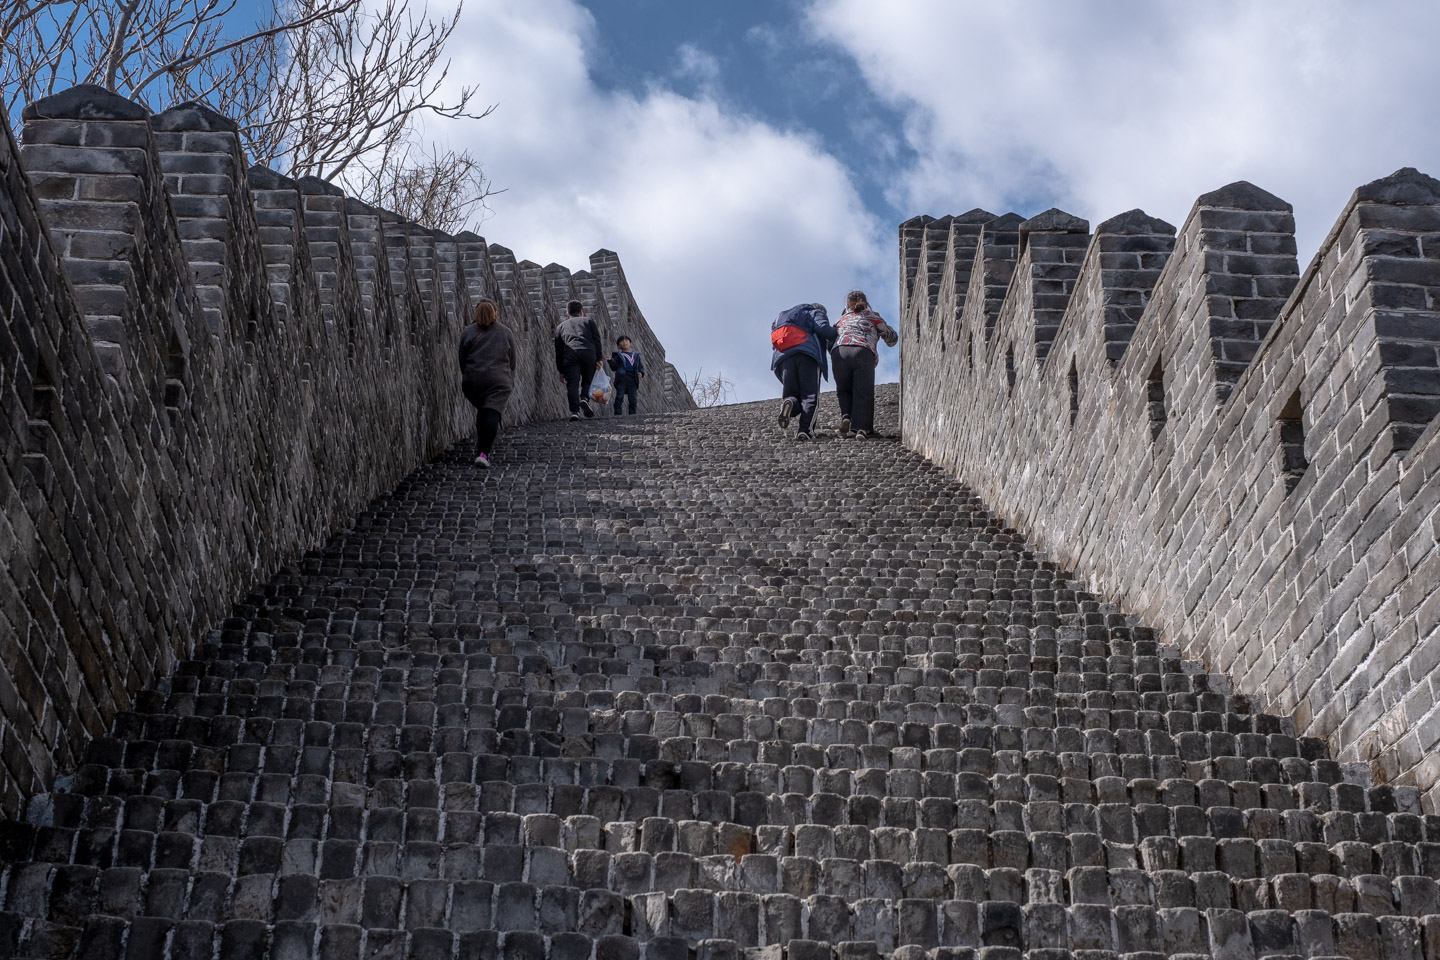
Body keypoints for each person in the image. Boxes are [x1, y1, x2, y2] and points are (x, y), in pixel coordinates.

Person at [457, 298, 516, 469]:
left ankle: (480, 449)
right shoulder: (505, 332)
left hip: (473, 380)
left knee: (484, 410)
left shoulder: (467, 333)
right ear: (495, 312)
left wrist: (470, 375)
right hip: (499, 381)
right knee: (491, 411)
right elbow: (512, 361)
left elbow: (462, 360)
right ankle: (483, 453)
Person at [832, 289, 897, 439]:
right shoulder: (872, 316)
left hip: (839, 352)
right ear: (866, 302)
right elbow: (891, 338)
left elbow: (830, 337)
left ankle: (846, 416)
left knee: (843, 389)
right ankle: (861, 429)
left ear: (847, 304)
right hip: (862, 351)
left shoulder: (840, 320)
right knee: (864, 391)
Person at [771, 302, 837, 441]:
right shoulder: (814, 312)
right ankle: (805, 430)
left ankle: (789, 402)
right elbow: (824, 329)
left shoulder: (783, 315)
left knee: (792, 393)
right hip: (807, 356)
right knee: (809, 395)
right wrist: (837, 331)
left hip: (783, 358)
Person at [554, 299, 603, 419]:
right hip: (588, 352)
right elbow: (597, 340)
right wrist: (599, 358)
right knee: (587, 381)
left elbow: (559, 350)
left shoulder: (560, 327)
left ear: (567, 313)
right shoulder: (589, 321)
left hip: (570, 354)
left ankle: (575, 411)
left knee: (572, 384)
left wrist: (561, 370)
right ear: (581, 311)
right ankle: (584, 398)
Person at [608, 335, 645, 415]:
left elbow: (640, 367)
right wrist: (611, 360)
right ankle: (617, 414)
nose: (624, 342)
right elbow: (614, 367)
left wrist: (641, 373)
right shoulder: (618, 355)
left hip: (633, 380)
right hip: (622, 378)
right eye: (621, 341)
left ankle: (632, 416)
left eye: (626, 340)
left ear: (630, 343)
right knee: (619, 397)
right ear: (619, 346)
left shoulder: (636, 356)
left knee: (633, 400)